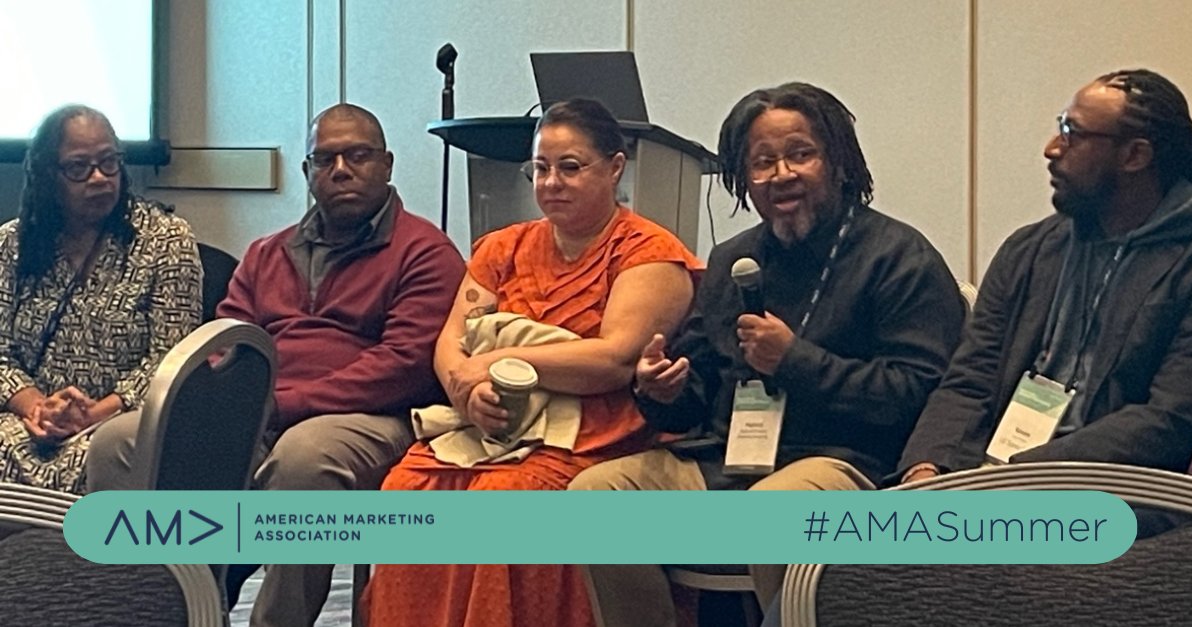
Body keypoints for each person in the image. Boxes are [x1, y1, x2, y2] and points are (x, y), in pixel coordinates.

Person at [569, 82, 965, 626]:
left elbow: (921, 393)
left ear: (839, 162)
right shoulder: (736, 260)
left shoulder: (897, 257)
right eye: (762, 163)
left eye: (800, 154)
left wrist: (795, 360)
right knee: (595, 495)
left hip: (849, 463)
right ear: (742, 179)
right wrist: (662, 387)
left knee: (776, 509)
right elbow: (698, 389)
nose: (781, 175)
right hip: (731, 464)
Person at [86, 103, 465, 627]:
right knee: (119, 442)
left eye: (358, 155)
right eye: (325, 158)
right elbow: (225, 343)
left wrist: (284, 406)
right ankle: (152, 609)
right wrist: (227, 405)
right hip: (262, 413)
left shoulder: (426, 252)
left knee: (303, 462)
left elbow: (403, 365)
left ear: (388, 164)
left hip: (372, 418)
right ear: (308, 173)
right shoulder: (267, 253)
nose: (341, 169)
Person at [362, 98, 702, 627]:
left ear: (615, 168)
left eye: (570, 167)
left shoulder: (648, 252)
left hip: (593, 433)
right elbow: (451, 341)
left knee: (504, 503)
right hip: (492, 424)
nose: (551, 183)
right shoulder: (503, 246)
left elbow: (614, 359)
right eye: (540, 168)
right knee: (408, 489)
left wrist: (500, 360)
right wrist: (467, 394)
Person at [899, 69, 1192, 484]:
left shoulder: (1190, 261)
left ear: (1135, 156)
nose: (1051, 149)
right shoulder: (1030, 250)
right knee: (844, 536)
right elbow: (970, 380)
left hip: (1120, 492)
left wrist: (1012, 480)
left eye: (1071, 132)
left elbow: (1169, 419)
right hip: (994, 482)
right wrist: (928, 468)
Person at [0, 105, 201, 495]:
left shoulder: (165, 240)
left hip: (119, 423)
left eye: (109, 163)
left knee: (102, 455)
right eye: (78, 167)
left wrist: (94, 412)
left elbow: (171, 358)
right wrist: (37, 408)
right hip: (26, 420)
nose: (99, 178)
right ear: (46, 176)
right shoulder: (12, 244)